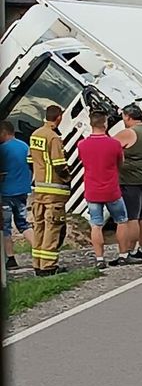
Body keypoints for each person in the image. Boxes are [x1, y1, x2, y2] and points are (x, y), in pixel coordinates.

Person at [77, 112, 140, 269]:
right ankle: (123, 255)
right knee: (121, 221)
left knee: (96, 225)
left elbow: (84, 163)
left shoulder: (82, 145)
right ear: (105, 124)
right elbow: (120, 163)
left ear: (91, 124)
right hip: (112, 189)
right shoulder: (114, 144)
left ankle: (99, 259)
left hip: (92, 190)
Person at [28, 105, 71, 276]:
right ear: (59, 117)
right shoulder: (53, 138)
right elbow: (59, 165)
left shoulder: (35, 135)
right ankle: (49, 266)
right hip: (54, 191)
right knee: (53, 227)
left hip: (39, 189)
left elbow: (30, 161)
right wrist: (68, 179)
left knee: (39, 226)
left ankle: (37, 264)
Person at [115, 105, 142, 261]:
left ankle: (130, 251)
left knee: (132, 217)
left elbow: (109, 146)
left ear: (128, 117)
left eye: (124, 117)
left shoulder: (128, 133)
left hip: (131, 180)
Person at [0, 120, 33, 271]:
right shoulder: (24, 146)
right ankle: (39, 252)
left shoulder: (2, 150)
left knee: (5, 228)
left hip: (6, 193)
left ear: (3, 132)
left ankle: (10, 259)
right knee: (23, 223)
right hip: (22, 191)